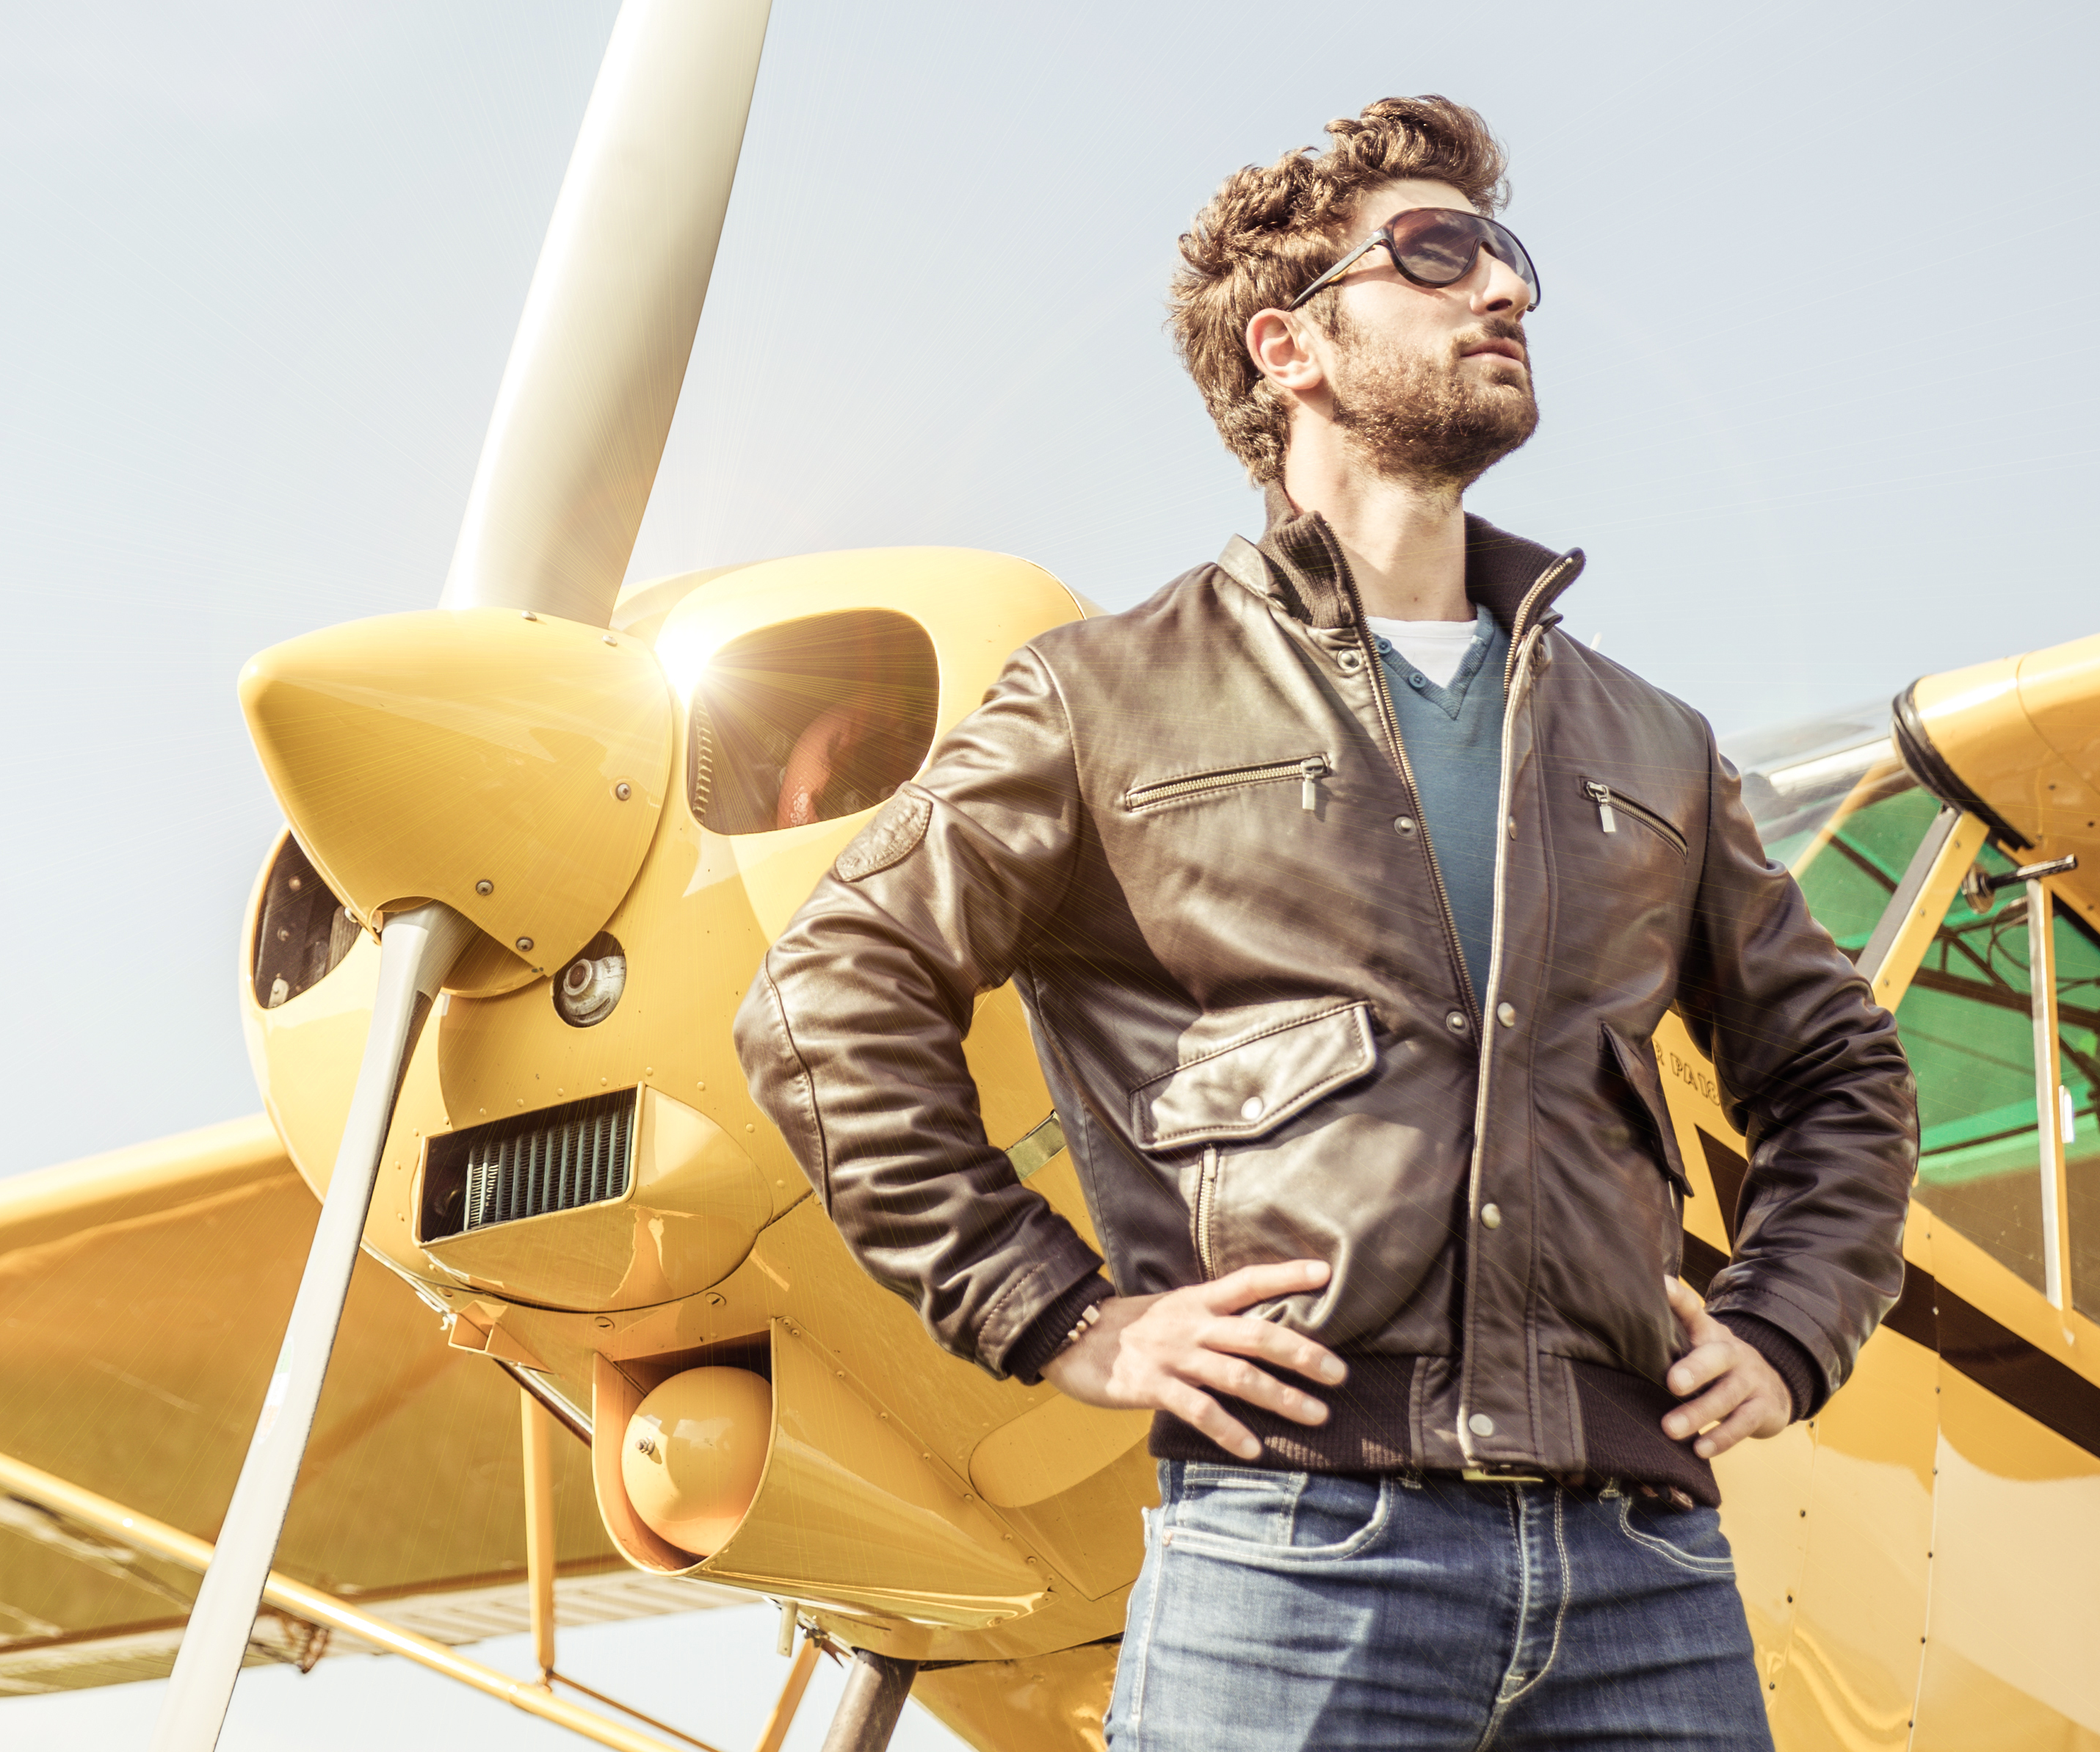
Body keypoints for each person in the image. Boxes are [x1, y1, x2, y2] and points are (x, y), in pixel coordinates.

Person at [734, 95, 1918, 1750]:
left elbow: (1840, 1068)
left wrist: (1795, 1325)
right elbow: (824, 995)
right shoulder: (1101, 699)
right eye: (1437, 254)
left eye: (1506, 258)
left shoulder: (1654, 742)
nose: (1501, 289)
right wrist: (1057, 1311)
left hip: (1646, 1568)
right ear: (1288, 345)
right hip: (1295, 1554)